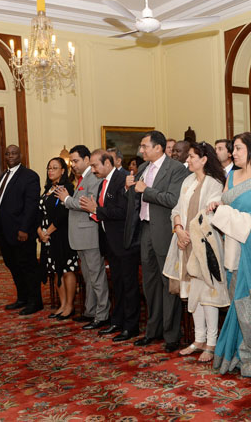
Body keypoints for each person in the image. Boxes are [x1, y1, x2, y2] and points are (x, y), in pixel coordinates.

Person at [207, 132, 251, 377]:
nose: (233, 153)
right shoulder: (231, 175)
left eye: (237, 148)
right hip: (234, 249)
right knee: (238, 303)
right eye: (232, 149)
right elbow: (228, 205)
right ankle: (240, 353)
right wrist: (219, 207)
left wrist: (233, 217)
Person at [163, 142, 229, 362]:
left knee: (207, 295)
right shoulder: (187, 181)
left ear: (204, 159)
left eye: (192, 157)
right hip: (185, 243)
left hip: (204, 245)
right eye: (188, 156)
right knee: (192, 293)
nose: (188, 160)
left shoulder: (214, 183)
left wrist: (188, 232)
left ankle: (212, 342)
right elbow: (176, 209)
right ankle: (198, 339)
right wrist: (179, 229)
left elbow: (211, 213)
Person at [124, 130, 189, 352]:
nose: (141, 150)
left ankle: (172, 336)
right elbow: (135, 199)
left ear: (158, 148)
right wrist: (129, 188)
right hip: (145, 230)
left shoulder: (176, 169)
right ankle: (153, 331)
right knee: (149, 284)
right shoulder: (143, 168)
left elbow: (173, 200)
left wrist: (147, 190)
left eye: (144, 146)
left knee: (167, 284)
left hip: (165, 231)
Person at [79, 150, 141, 341]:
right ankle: (117, 321)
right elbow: (104, 211)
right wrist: (94, 211)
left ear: (108, 163)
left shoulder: (123, 178)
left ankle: (131, 326)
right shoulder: (102, 182)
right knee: (118, 285)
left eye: (95, 165)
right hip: (110, 241)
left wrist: (95, 209)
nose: (93, 169)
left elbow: (123, 211)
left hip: (125, 241)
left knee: (129, 285)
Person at [56, 145, 110, 329]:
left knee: (96, 276)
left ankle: (102, 314)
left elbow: (87, 203)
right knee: (88, 276)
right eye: (71, 161)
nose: (73, 165)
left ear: (87, 160)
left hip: (90, 235)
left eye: (76, 160)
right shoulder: (83, 178)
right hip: (81, 236)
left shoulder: (93, 178)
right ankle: (90, 310)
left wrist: (66, 199)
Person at [0, 145, 42, 315]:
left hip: (22, 232)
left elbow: (31, 205)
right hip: (5, 232)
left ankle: (35, 301)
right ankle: (22, 298)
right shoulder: (4, 175)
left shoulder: (29, 176)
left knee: (28, 267)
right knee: (13, 265)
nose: (10, 156)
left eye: (14, 153)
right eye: (7, 153)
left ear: (20, 155)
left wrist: (24, 229)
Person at [38, 157, 78, 320]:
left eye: (55, 168)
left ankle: (70, 305)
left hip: (62, 236)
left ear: (63, 170)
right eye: (49, 168)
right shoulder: (47, 189)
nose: (51, 171)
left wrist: (48, 231)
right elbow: (39, 214)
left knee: (67, 270)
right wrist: (40, 231)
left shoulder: (67, 188)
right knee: (55, 271)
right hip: (48, 238)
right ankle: (62, 305)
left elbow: (64, 214)